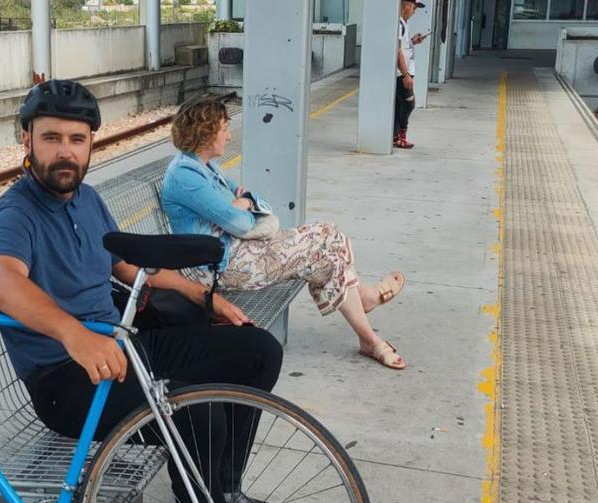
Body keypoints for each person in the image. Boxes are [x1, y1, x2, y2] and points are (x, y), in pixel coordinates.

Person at [0, 79, 284, 503]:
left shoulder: (86, 199)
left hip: (123, 347)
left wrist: (202, 295)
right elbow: (3, 282)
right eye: (51, 138)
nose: (65, 152)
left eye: (76, 140)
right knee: (198, 408)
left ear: (90, 145)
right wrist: (74, 334)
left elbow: (125, 266)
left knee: (258, 350)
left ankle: (223, 494)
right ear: (26, 139)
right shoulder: (15, 213)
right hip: (67, 381)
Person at [161, 98, 409, 370]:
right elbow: (241, 222)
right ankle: (368, 332)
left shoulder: (204, 166)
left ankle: (362, 300)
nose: (229, 135)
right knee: (322, 257)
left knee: (329, 232)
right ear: (206, 133)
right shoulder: (186, 176)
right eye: (224, 129)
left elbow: (246, 198)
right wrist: (241, 205)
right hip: (220, 266)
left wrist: (241, 204)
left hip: (236, 249)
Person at [395, 0, 426, 149]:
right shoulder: (399, 24)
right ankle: (401, 137)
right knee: (409, 103)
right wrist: (405, 74)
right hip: (401, 73)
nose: (414, 12)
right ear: (407, 5)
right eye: (414, 8)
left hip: (405, 72)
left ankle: (395, 136)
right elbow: (397, 51)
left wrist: (413, 41)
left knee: (399, 104)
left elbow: (404, 46)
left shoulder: (404, 23)